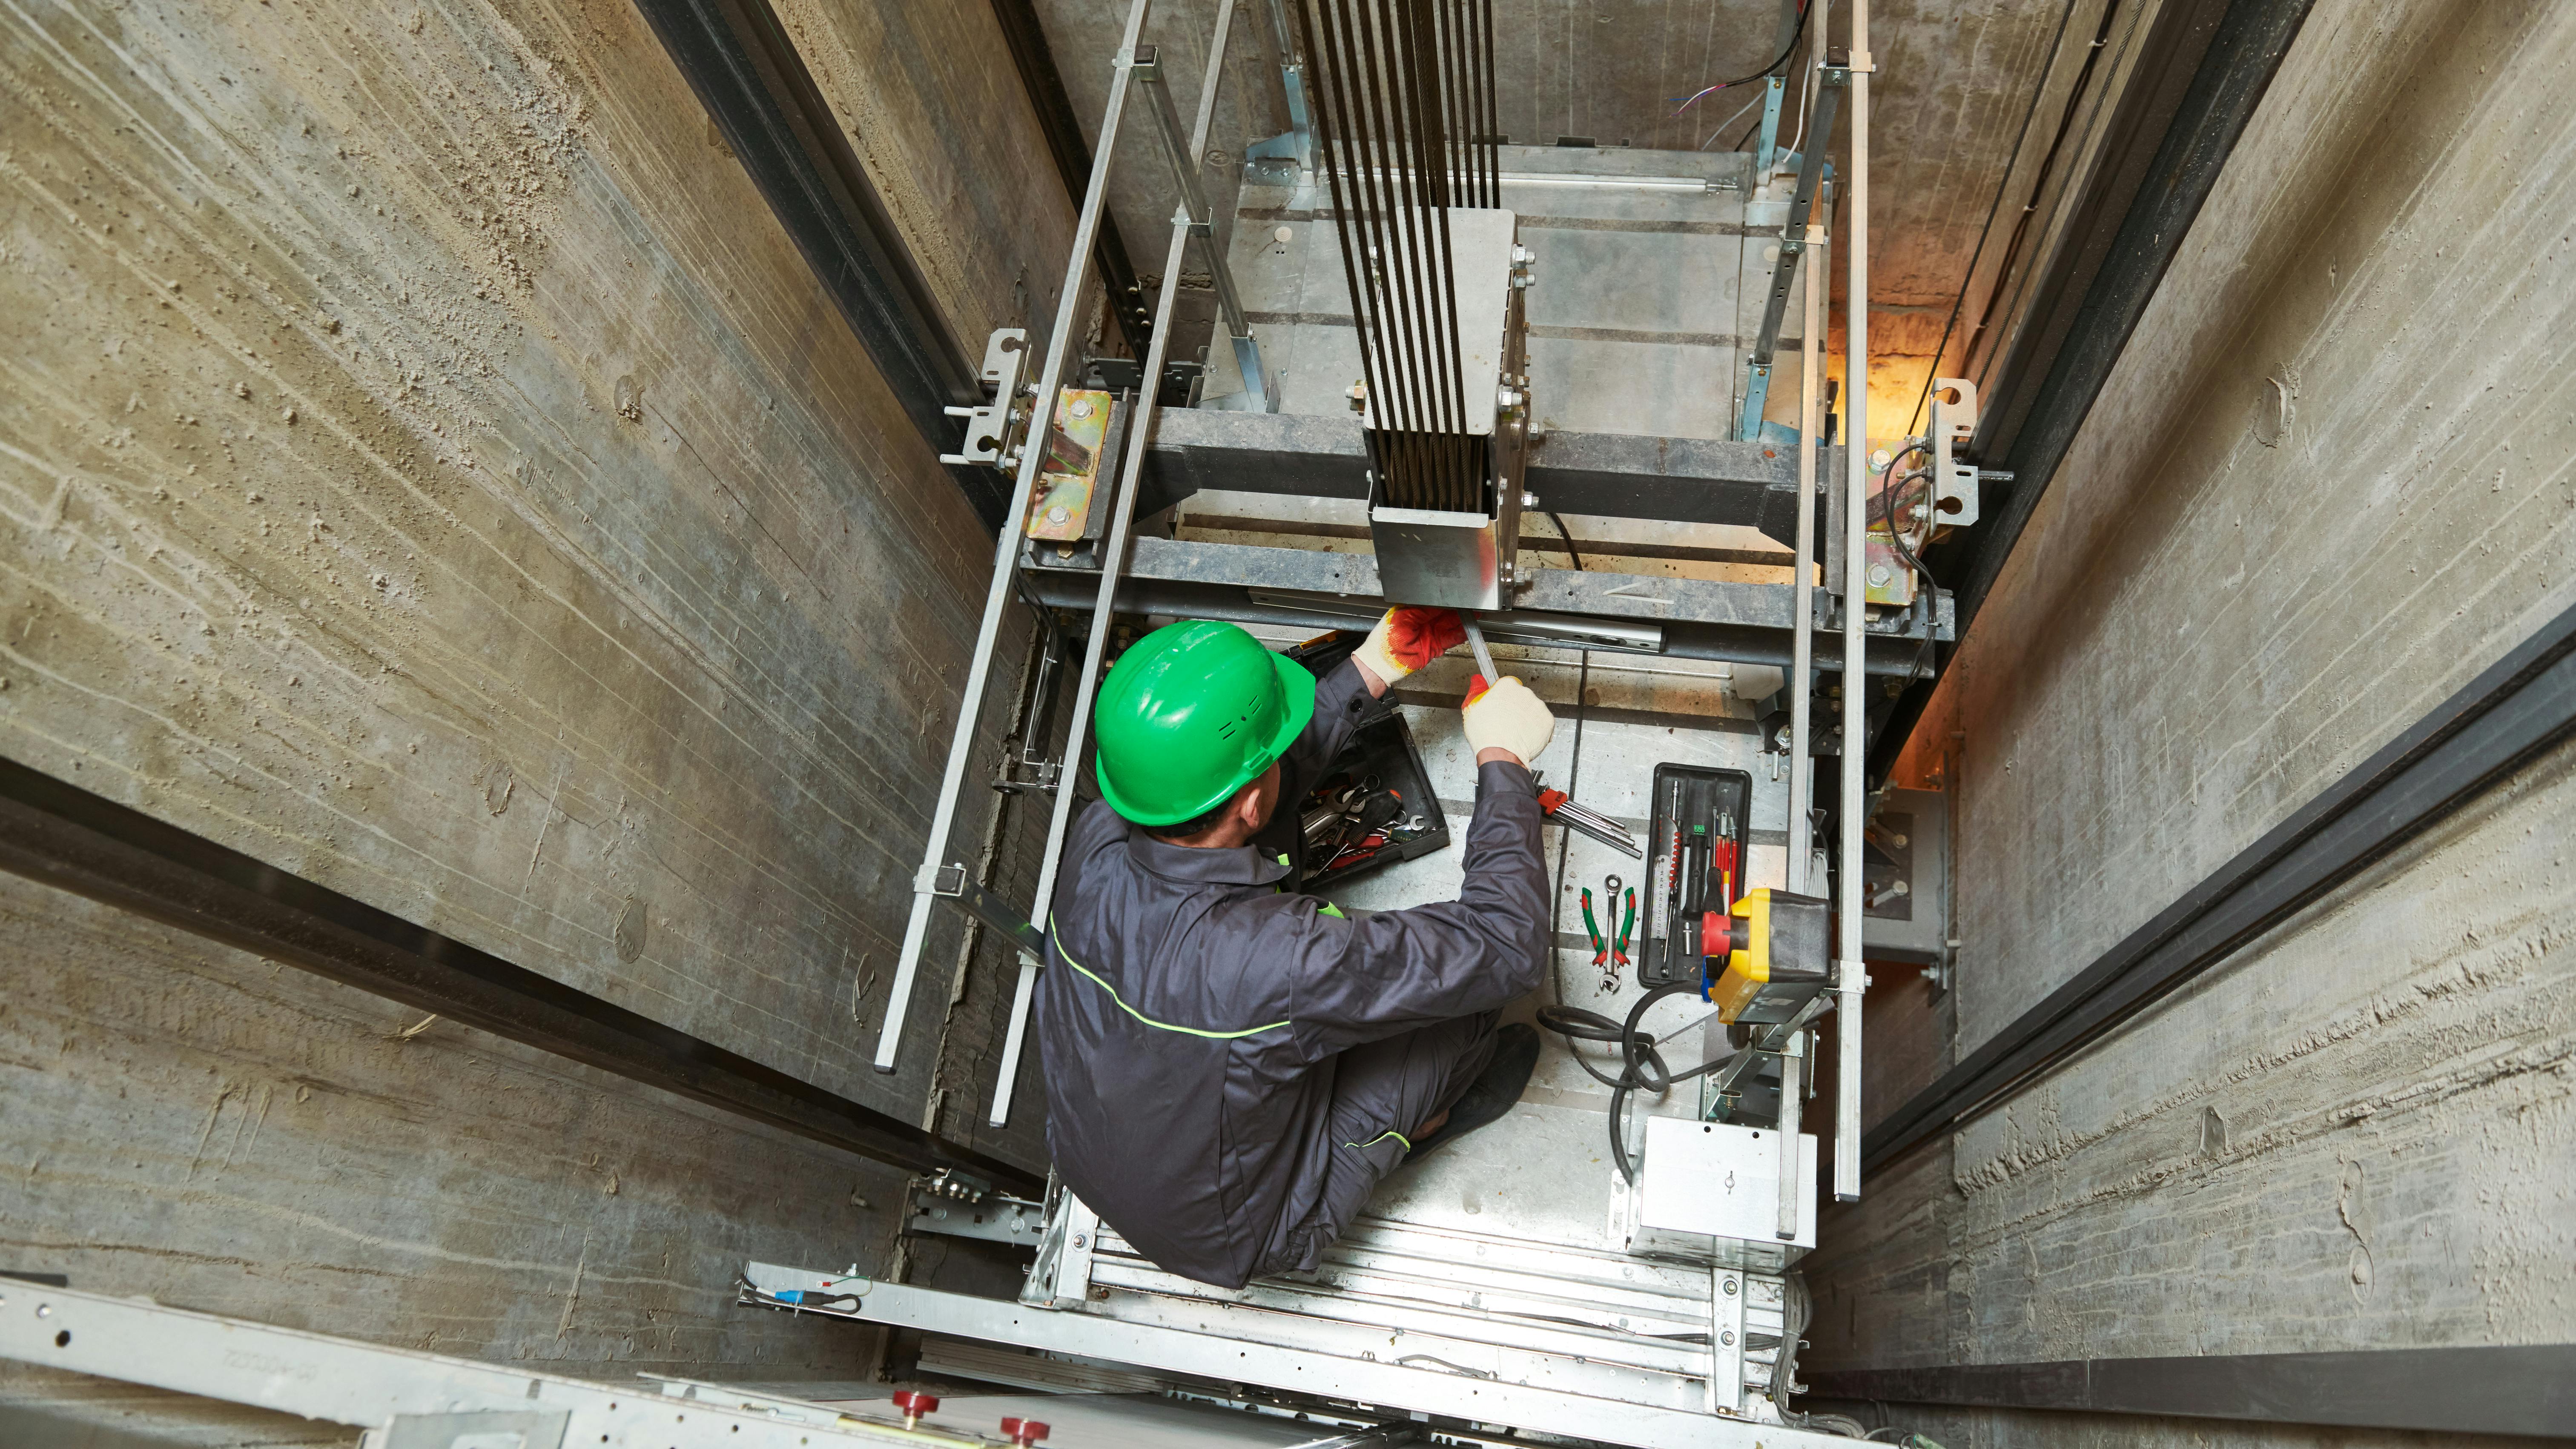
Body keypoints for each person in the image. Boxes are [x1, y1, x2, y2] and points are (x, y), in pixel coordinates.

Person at [1034, 608, 1556, 1289]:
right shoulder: (1275, 956)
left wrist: (1372, 669)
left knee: (1318, 952)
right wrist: (1503, 761)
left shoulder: (1103, 828)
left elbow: (1238, 793)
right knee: (1467, 999)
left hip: (1095, 1158)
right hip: (1242, 1234)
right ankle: (1425, 1120)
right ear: (1250, 802)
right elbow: (1506, 945)